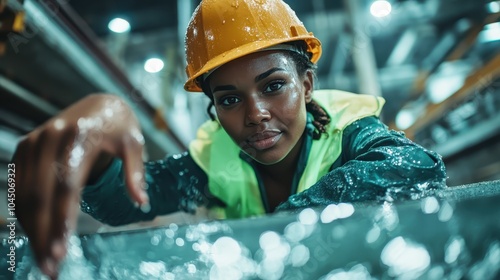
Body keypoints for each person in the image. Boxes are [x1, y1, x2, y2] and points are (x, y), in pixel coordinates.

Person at [12, 0, 447, 278]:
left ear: (307, 84)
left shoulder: (350, 132)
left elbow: (416, 166)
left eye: (274, 85)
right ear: (215, 108)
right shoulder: (210, 163)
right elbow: (122, 204)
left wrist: (289, 216)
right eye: (230, 99)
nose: (255, 114)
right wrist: (100, 160)